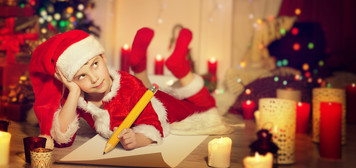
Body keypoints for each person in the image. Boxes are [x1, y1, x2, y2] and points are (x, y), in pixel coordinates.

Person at [29, 27, 230, 150]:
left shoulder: (126, 86)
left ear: (104, 58)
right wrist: (73, 91)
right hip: (145, 92)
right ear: (71, 80)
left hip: (172, 110)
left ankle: (179, 67)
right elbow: (62, 139)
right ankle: (139, 65)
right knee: (144, 87)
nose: (94, 79)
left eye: (95, 65)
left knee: (207, 110)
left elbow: (153, 123)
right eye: (81, 76)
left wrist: (139, 139)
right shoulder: (81, 95)